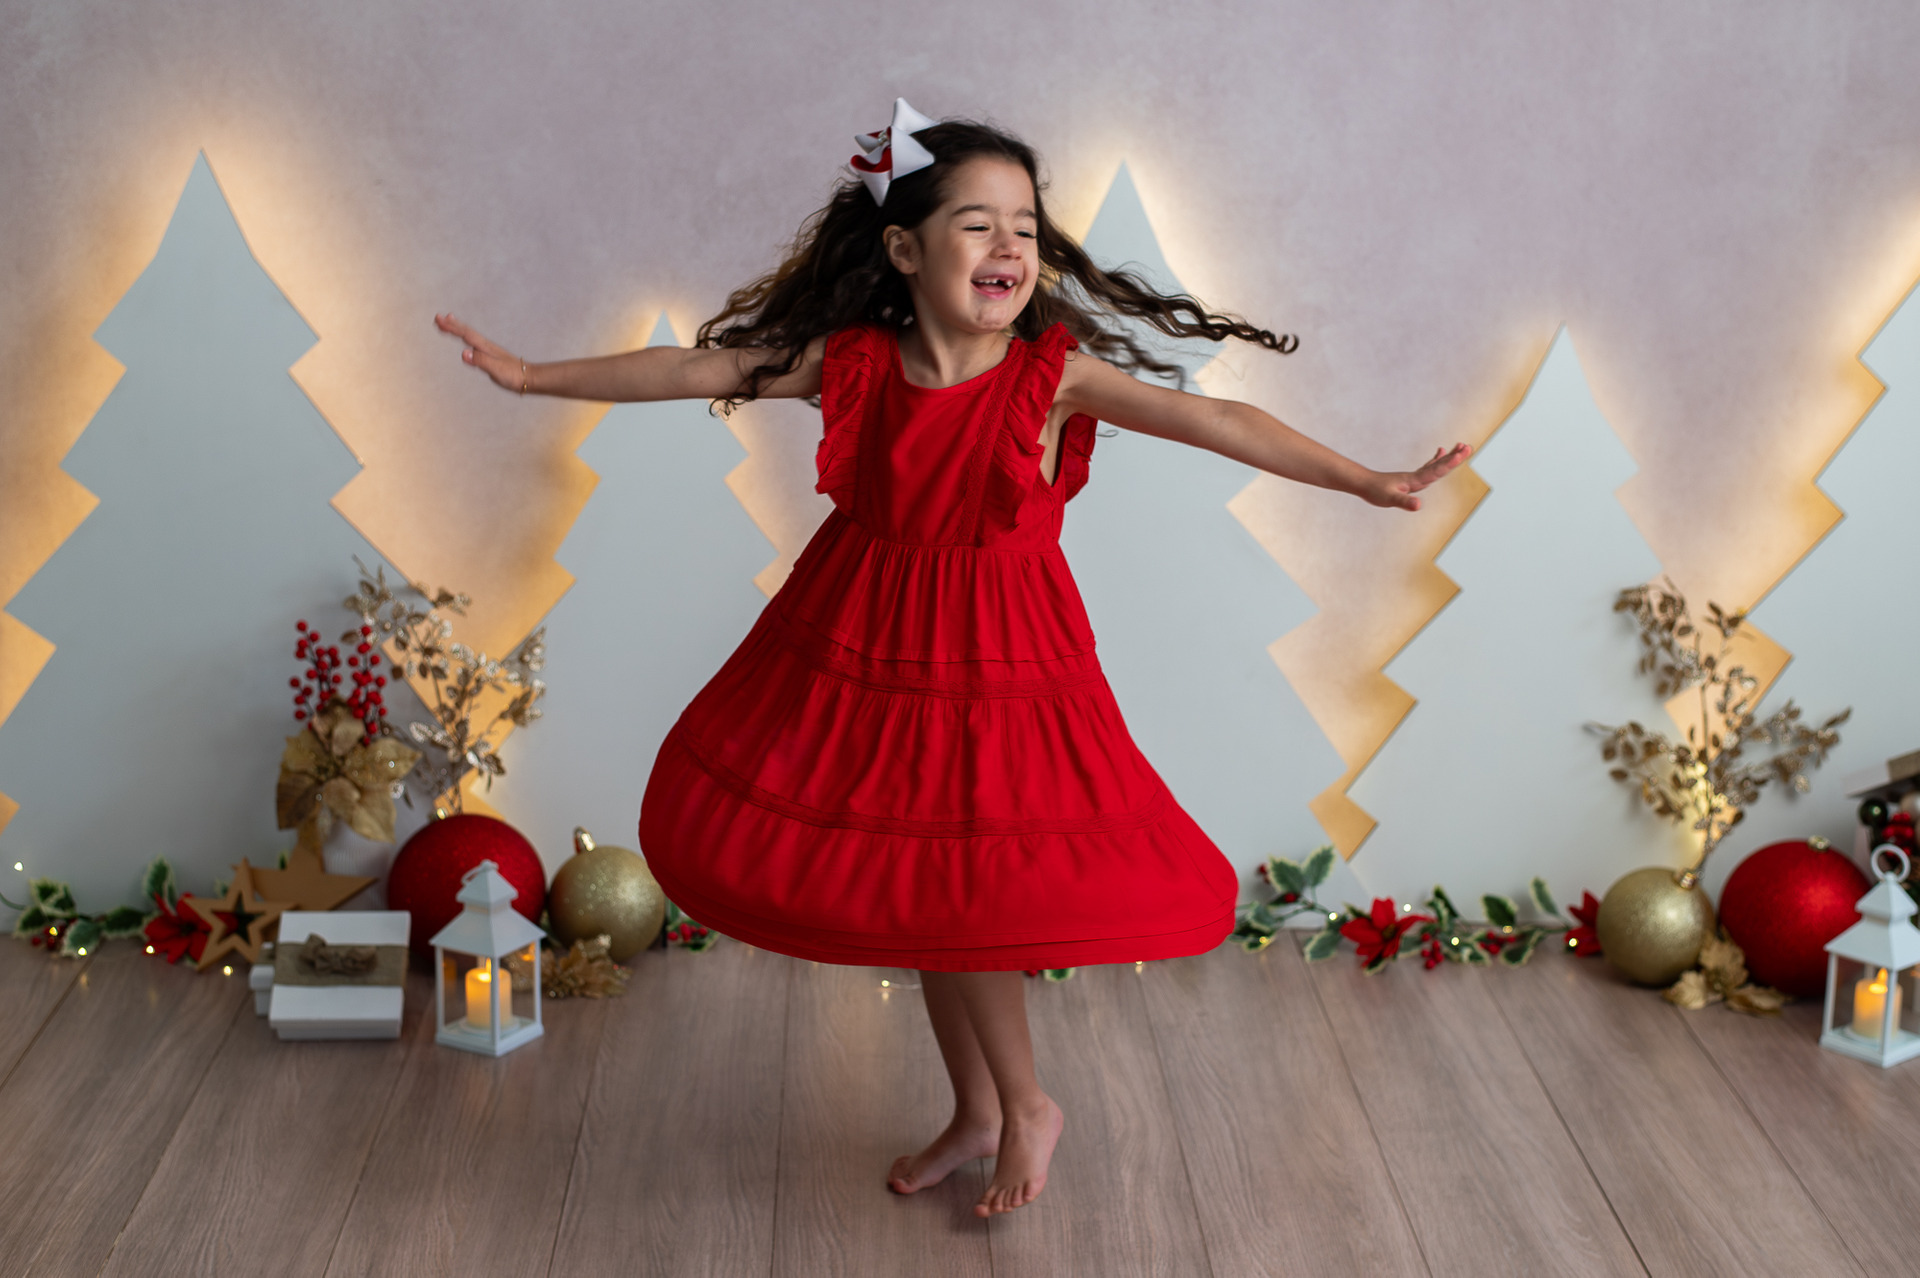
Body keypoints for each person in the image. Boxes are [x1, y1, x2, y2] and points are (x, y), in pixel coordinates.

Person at [436, 99, 1469, 1220]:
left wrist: (1366, 480)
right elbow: (698, 368)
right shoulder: (857, 366)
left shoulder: (1049, 377)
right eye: (978, 225)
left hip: (998, 659)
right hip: (866, 642)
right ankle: (977, 1113)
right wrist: (535, 378)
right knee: (914, 879)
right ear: (905, 249)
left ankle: (1028, 1105)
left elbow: (1215, 423)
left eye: (1025, 225)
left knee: (966, 880)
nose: (1011, 247)